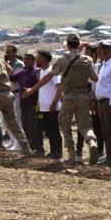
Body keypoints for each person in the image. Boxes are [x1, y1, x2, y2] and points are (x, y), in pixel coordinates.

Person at [23, 33, 99, 165]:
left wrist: (32, 90)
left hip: (69, 97)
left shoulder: (63, 60)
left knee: (65, 124)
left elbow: (48, 77)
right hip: (83, 97)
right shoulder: (87, 60)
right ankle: (91, 142)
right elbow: (95, 78)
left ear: (68, 45)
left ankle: (73, 155)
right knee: (85, 125)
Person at [10, 52, 40, 152]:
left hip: (33, 103)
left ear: (33, 60)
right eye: (24, 59)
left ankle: (36, 147)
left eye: (28, 59)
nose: (25, 61)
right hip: (23, 103)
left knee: (33, 126)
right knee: (25, 126)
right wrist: (5, 65)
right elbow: (12, 78)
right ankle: (29, 147)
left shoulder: (37, 72)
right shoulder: (21, 72)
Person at [35, 50, 63, 159]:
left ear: (43, 58)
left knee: (54, 130)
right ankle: (53, 152)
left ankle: (58, 152)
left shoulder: (52, 71)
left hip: (52, 107)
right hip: (43, 107)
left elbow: (59, 87)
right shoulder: (42, 71)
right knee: (48, 131)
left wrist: (54, 103)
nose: (36, 59)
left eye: (38, 57)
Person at [5, 44, 24, 151]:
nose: (7, 54)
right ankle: (13, 140)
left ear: (15, 53)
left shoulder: (19, 64)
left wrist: (8, 68)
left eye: (9, 52)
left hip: (17, 93)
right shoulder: (7, 63)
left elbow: (15, 78)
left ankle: (19, 143)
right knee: (6, 120)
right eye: (6, 52)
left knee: (17, 119)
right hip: (8, 94)